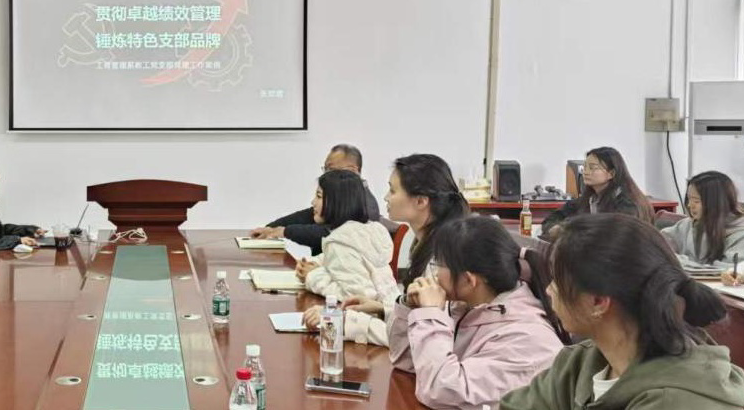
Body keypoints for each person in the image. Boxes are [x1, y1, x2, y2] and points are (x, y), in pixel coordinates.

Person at [501, 214, 744, 410]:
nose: (548, 290)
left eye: (557, 281)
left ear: (598, 302)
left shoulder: (677, 400)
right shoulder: (580, 364)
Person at [389, 216, 568, 410]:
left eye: (438, 264)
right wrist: (411, 307)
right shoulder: (468, 307)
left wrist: (431, 315)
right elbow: (406, 360)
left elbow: (442, 392)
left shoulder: (527, 339)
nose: (435, 274)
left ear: (469, 280)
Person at [304, 153, 469, 346]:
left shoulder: (441, 262)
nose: (386, 197)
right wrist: (382, 308)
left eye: (392, 190)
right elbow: (417, 318)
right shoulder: (428, 243)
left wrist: (340, 321)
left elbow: (418, 340)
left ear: (421, 201)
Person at [250, 144, 389, 255]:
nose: (326, 175)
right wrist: (271, 228)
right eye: (325, 169)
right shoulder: (340, 195)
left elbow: (332, 234)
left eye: (331, 169)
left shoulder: (365, 204)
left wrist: (285, 231)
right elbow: (307, 216)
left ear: (352, 170)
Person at [294, 170, 397, 301]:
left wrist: (312, 276)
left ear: (336, 203)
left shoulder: (340, 243)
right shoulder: (366, 231)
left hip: (369, 312)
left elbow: (358, 297)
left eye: (319, 196)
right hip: (392, 309)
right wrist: (313, 263)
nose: (313, 202)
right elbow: (340, 259)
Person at [542, 147, 653, 240]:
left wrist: (570, 231)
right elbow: (552, 218)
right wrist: (555, 229)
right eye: (585, 167)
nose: (586, 172)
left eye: (592, 168)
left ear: (611, 173)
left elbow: (613, 234)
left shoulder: (627, 203)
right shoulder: (590, 199)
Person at [661, 171, 744, 269]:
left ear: (716, 203)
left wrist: (676, 260)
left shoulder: (740, 235)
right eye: (689, 199)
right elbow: (660, 242)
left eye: (696, 201)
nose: (690, 205)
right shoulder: (688, 224)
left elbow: (725, 271)